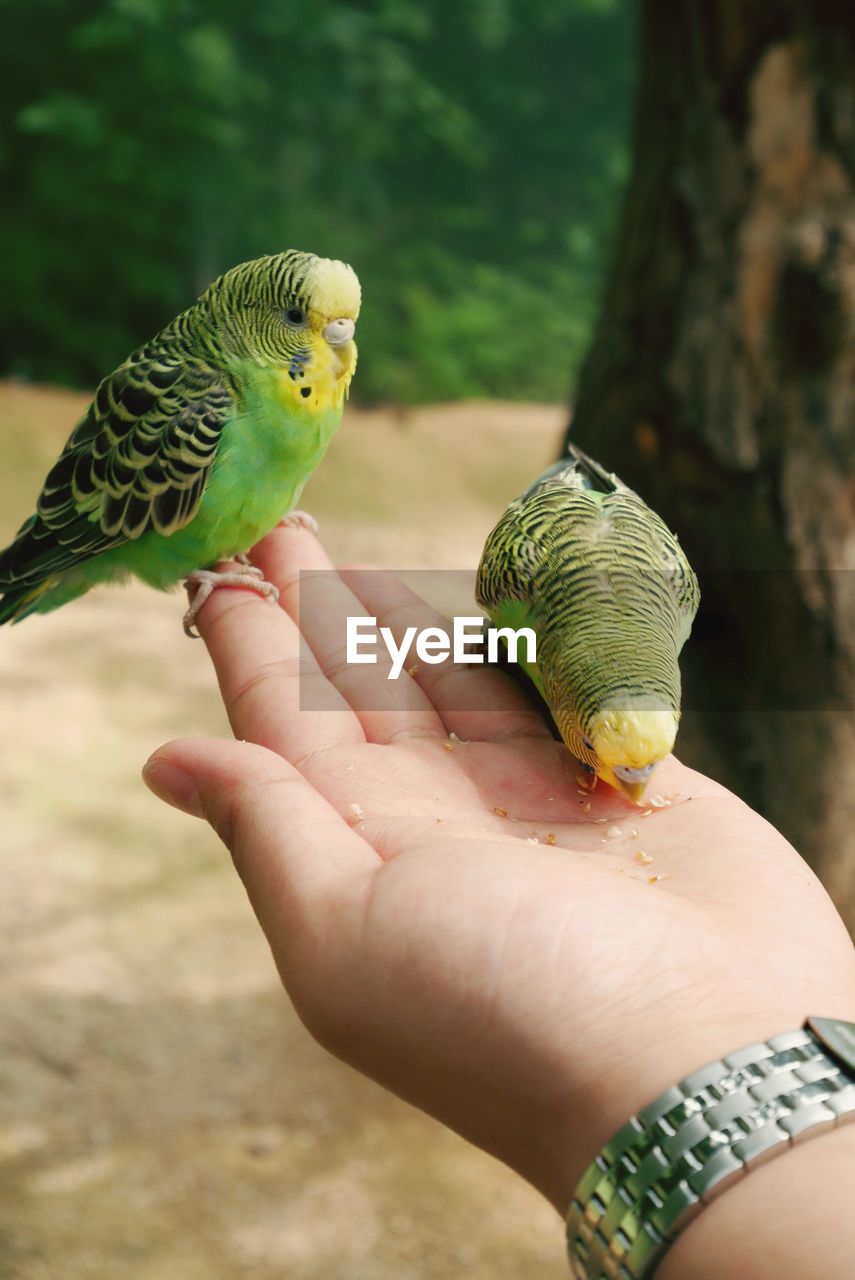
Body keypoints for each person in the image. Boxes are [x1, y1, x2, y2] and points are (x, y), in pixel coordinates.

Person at [143, 524, 855, 1278]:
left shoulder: (671, 592)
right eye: (604, 751)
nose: (632, 789)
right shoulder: (521, 587)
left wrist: (700, 1037)